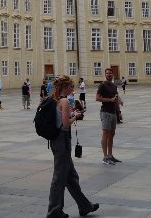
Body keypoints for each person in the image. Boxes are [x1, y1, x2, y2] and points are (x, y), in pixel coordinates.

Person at [47, 76, 100, 218]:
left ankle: (84, 206)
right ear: (65, 87)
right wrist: (75, 116)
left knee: (71, 176)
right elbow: (65, 124)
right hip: (62, 140)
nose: (72, 89)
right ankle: (54, 211)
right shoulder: (64, 101)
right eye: (71, 86)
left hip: (56, 140)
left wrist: (71, 113)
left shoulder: (55, 99)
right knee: (59, 177)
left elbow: (60, 117)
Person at [96, 68, 120, 165]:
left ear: (112, 74)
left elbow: (116, 99)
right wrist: (110, 100)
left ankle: (110, 155)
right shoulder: (102, 85)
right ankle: (105, 157)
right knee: (105, 134)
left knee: (112, 134)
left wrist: (119, 112)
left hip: (113, 112)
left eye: (110, 73)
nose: (109, 74)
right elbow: (97, 98)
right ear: (105, 75)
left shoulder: (114, 86)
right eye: (107, 73)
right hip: (105, 112)